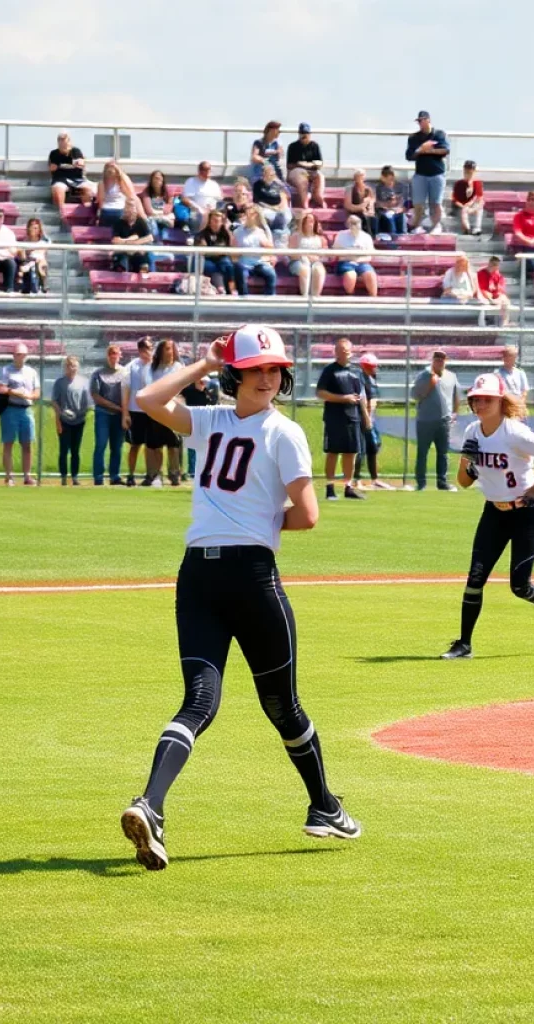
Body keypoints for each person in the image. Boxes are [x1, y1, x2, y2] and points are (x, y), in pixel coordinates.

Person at [121, 323, 360, 871]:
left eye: (274, 368)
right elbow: (309, 515)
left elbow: (149, 399)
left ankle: (150, 805)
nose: (269, 376)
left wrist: (204, 364)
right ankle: (324, 807)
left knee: (199, 703)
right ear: (240, 374)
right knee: (283, 705)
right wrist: (262, 519)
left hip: (197, 576)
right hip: (252, 575)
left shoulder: (209, 421)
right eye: (259, 368)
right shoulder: (284, 432)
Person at [441, 372, 534, 659]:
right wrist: (470, 464)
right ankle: (464, 644)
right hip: (494, 512)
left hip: (525, 513)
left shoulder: (514, 432)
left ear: (501, 401)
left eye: (487, 399)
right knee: (475, 577)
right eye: (476, 399)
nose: (480, 404)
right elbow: (463, 482)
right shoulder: (472, 433)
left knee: (520, 586)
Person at [315, 338, 369, 501]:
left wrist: (365, 415)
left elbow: (361, 396)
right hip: (334, 418)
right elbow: (320, 393)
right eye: (339, 350)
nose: (343, 353)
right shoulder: (329, 371)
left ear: (351, 351)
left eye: (346, 350)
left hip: (353, 418)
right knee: (333, 452)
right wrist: (342, 398)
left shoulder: (356, 371)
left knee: (351, 453)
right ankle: (330, 488)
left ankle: (348, 487)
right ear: (335, 352)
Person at [411, 349, 460, 491]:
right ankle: (421, 483)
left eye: (442, 359)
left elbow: (456, 397)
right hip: (425, 420)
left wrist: (455, 413)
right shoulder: (424, 376)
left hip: (444, 421)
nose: (439, 361)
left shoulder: (451, 376)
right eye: (437, 358)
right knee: (422, 452)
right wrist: (430, 384)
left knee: (443, 453)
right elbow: (415, 395)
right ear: (433, 360)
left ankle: (442, 482)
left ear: (446, 361)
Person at [0, 342, 39, 485]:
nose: (19, 357)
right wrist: (14, 392)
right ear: (13, 355)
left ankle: (27, 476)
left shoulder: (32, 372)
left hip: (26, 410)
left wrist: (30, 396)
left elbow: (37, 392)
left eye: (22, 354)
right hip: (10, 409)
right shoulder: (6, 370)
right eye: (17, 354)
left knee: (27, 444)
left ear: (26, 356)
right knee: (8, 443)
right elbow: (1, 389)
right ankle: (9, 476)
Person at [146, 339, 185, 485]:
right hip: (156, 409)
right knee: (156, 445)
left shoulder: (178, 367)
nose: (171, 352)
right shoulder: (153, 369)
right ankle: (155, 475)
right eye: (167, 348)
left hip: (173, 409)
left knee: (173, 444)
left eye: (172, 348)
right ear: (161, 350)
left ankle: (174, 474)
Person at [405, 110, 449, 234]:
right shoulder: (414, 138)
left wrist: (429, 151)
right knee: (418, 204)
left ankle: (436, 226)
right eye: (419, 121)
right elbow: (409, 156)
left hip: (437, 174)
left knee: (436, 203)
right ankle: (417, 226)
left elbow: (445, 150)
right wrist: (420, 150)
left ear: (428, 120)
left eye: (422, 120)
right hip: (420, 174)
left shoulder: (439, 134)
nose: (420, 123)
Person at [121, 337, 158, 487]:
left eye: (149, 348)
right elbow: (125, 390)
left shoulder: (157, 367)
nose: (147, 352)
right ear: (140, 350)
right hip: (136, 411)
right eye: (144, 349)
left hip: (153, 411)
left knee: (153, 446)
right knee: (135, 445)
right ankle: (130, 475)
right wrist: (125, 414)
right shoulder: (131, 367)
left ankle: (152, 476)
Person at [352, 352, 392, 490]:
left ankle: (374, 479)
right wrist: (367, 418)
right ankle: (356, 479)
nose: (373, 369)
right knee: (361, 449)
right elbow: (363, 399)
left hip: (370, 418)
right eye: (370, 366)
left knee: (373, 447)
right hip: (362, 418)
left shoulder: (371, 378)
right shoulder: (360, 379)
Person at [90, 343, 126, 486]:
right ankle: (98, 477)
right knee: (101, 444)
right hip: (103, 414)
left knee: (117, 447)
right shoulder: (98, 373)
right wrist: (115, 407)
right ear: (107, 356)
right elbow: (95, 396)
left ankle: (114, 476)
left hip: (119, 415)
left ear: (120, 355)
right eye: (111, 354)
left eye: (116, 354)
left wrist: (124, 411)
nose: (113, 357)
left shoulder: (125, 373)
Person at [51, 355, 90, 486]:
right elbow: (54, 401)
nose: (71, 368)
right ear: (65, 367)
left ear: (77, 367)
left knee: (75, 451)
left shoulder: (83, 382)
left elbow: (86, 403)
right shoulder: (60, 383)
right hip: (64, 422)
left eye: (74, 365)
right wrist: (59, 417)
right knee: (63, 450)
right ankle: (63, 476)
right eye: (69, 366)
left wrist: (82, 413)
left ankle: (74, 477)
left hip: (79, 422)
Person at [233, 206, 278, 297]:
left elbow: (269, 247)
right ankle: (244, 299)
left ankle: (270, 299)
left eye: (253, 214)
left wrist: (268, 255)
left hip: (258, 262)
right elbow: (233, 249)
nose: (251, 216)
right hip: (243, 262)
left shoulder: (260, 232)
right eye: (249, 213)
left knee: (271, 273)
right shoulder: (238, 231)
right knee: (241, 272)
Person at [333, 215, 377, 297]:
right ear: (348, 224)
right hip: (345, 262)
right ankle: (350, 296)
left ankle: (374, 298)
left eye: (356, 223)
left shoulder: (366, 237)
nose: (354, 225)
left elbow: (370, 255)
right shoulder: (341, 235)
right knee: (351, 275)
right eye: (352, 223)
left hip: (362, 262)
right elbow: (335, 252)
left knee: (370, 275)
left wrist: (358, 260)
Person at [195, 209, 236, 295]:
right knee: (210, 266)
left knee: (228, 265)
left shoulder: (225, 233)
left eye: (218, 221)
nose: (216, 223)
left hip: (221, 258)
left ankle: (231, 290)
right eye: (214, 220)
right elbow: (203, 250)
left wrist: (228, 230)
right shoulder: (203, 233)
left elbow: (232, 246)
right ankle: (219, 288)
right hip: (207, 258)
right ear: (209, 222)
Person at [48, 132, 95, 206]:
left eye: (65, 142)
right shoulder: (54, 153)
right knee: (58, 191)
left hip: (76, 183)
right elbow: (52, 168)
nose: (63, 145)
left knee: (86, 190)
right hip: (61, 180)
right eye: (61, 141)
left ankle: (86, 214)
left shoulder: (75, 151)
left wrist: (61, 166)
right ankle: (61, 214)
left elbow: (80, 163)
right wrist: (71, 165)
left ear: (69, 142)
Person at [110, 199, 156, 276]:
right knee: (121, 259)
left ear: (136, 211)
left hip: (137, 250)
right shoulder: (118, 223)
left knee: (144, 257)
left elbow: (150, 238)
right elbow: (115, 240)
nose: (130, 212)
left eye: (132, 209)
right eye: (128, 209)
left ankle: (144, 281)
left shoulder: (140, 221)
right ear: (125, 210)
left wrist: (133, 243)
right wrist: (130, 240)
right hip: (124, 250)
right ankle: (122, 279)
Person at [286, 122, 325, 210]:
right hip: (298, 173)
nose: (304, 136)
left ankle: (318, 196)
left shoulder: (314, 146)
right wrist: (299, 164)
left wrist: (309, 165)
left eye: (306, 134)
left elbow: (320, 162)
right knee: (302, 176)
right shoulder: (293, 146)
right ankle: (305, 203)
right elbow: (289, 165)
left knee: (320, 176)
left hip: (311, 171)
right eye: (302, 133)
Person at [288, 212, 327, 298]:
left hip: (315, 261)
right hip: (298, 261)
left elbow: (326, 256)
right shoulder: (295, 236)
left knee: (319, 271)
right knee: (305, 270)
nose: (309, 223)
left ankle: (315, 297)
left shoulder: (321, 239)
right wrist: (305, 256)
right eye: (306, 221)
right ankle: (305, 297)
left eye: (311, 221)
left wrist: (317, 258)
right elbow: (291, 255)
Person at [253, 161, 292, 247]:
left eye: (272, 173)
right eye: (269, 173)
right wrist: (272, 207)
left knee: (286, 215)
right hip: (266, 208)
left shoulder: (277, 184)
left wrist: (281, 184)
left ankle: (282, 234)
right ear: (264, 174)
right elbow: (258, 201)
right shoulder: (257, 185)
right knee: (267, 215)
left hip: (278, 208)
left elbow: (285, 196)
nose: (271, 175)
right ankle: (274, 235)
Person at [181, 162, 223, 234]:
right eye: (205, 170)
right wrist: (199, 208)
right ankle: (198, 238)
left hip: (212, 211)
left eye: (209, 170)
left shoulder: (214, 184)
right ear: (199, 171)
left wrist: (212, 209)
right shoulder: (191, 181)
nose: (207, 172)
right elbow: (185, 199)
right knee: (199, 217)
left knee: (221, 219)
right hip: (196, 211)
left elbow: (220, 199)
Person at [15, 217, 50, 295]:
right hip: (28, 260)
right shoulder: (25, 241)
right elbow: (23, 254)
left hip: (40, 260)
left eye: (36, 228)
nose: (33, 230)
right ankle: (27, 285)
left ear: (39, 229)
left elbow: (42, 252)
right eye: (31, 227)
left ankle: (43, 285)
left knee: (40, 263)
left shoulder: (44, 241)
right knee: (25, 263)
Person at [96, 161, 135, 229]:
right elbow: (131, 193)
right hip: (118, 211)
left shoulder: (102, 183)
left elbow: (100, 201)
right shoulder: (121, 182)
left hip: (107, 211)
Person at [140, 170, 175, 243]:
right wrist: (159, 214)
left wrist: (159, 214)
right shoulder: (146, 192)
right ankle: (157, 243)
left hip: (164, 217)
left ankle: (159, 243)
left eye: (159, 178)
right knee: (152, 222)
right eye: (155, 178)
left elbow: (168, 209)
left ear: (163, 180)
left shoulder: (167, 191)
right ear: (151, 180)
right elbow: (149, 211)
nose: (157, 180)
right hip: (153, 217)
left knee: (168, 221)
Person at [452, 160, 484, 236]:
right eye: (466, 171)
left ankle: (477, 228)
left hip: (471, 206)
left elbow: (480, 198)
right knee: (464, 210)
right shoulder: (459, 183)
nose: (468, 173)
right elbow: (455, 200)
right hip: (460, 206)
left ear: (474, 171)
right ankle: (467, 229)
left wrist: (474, 208)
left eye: (471, 172)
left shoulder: (477, 183)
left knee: (480, 207)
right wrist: (464, 207)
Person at [477, 255, 511, 327]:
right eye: (493, 264)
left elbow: (501, 289)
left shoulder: (498, 275)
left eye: (496, 265)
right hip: (484, 295)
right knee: (486, 294)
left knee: (505, 300)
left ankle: (505, 322)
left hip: (495, 295)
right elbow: (481, 288)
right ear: (489, 263)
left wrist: (498, 293)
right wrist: (490, 297)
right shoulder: (481, 273)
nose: (494, 266)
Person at [374, 165, 407, 236]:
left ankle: (403, 236)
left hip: (397, 209)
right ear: (383, 178)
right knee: (389, 217)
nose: (391, 182)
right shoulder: (378, 188)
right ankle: (393, 236)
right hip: (384, 211)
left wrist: (399, 208)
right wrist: (387, 206)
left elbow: (403, 201)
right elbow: (377, 203)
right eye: (389, 179)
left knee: (402, 216)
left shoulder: (400, 186)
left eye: (392, 179)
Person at [343, 169, 376, 238]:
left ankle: (372, 239)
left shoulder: (368, 189)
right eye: (358, 176)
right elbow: (348, 206)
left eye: (362, 176)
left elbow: (372, 202)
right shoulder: (350, 189)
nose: (361, 178)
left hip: (366, 213)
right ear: (355, 177)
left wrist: (369, 210)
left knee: (373, 218)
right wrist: (361, 207)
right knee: (362, 218)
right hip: (354, 213)